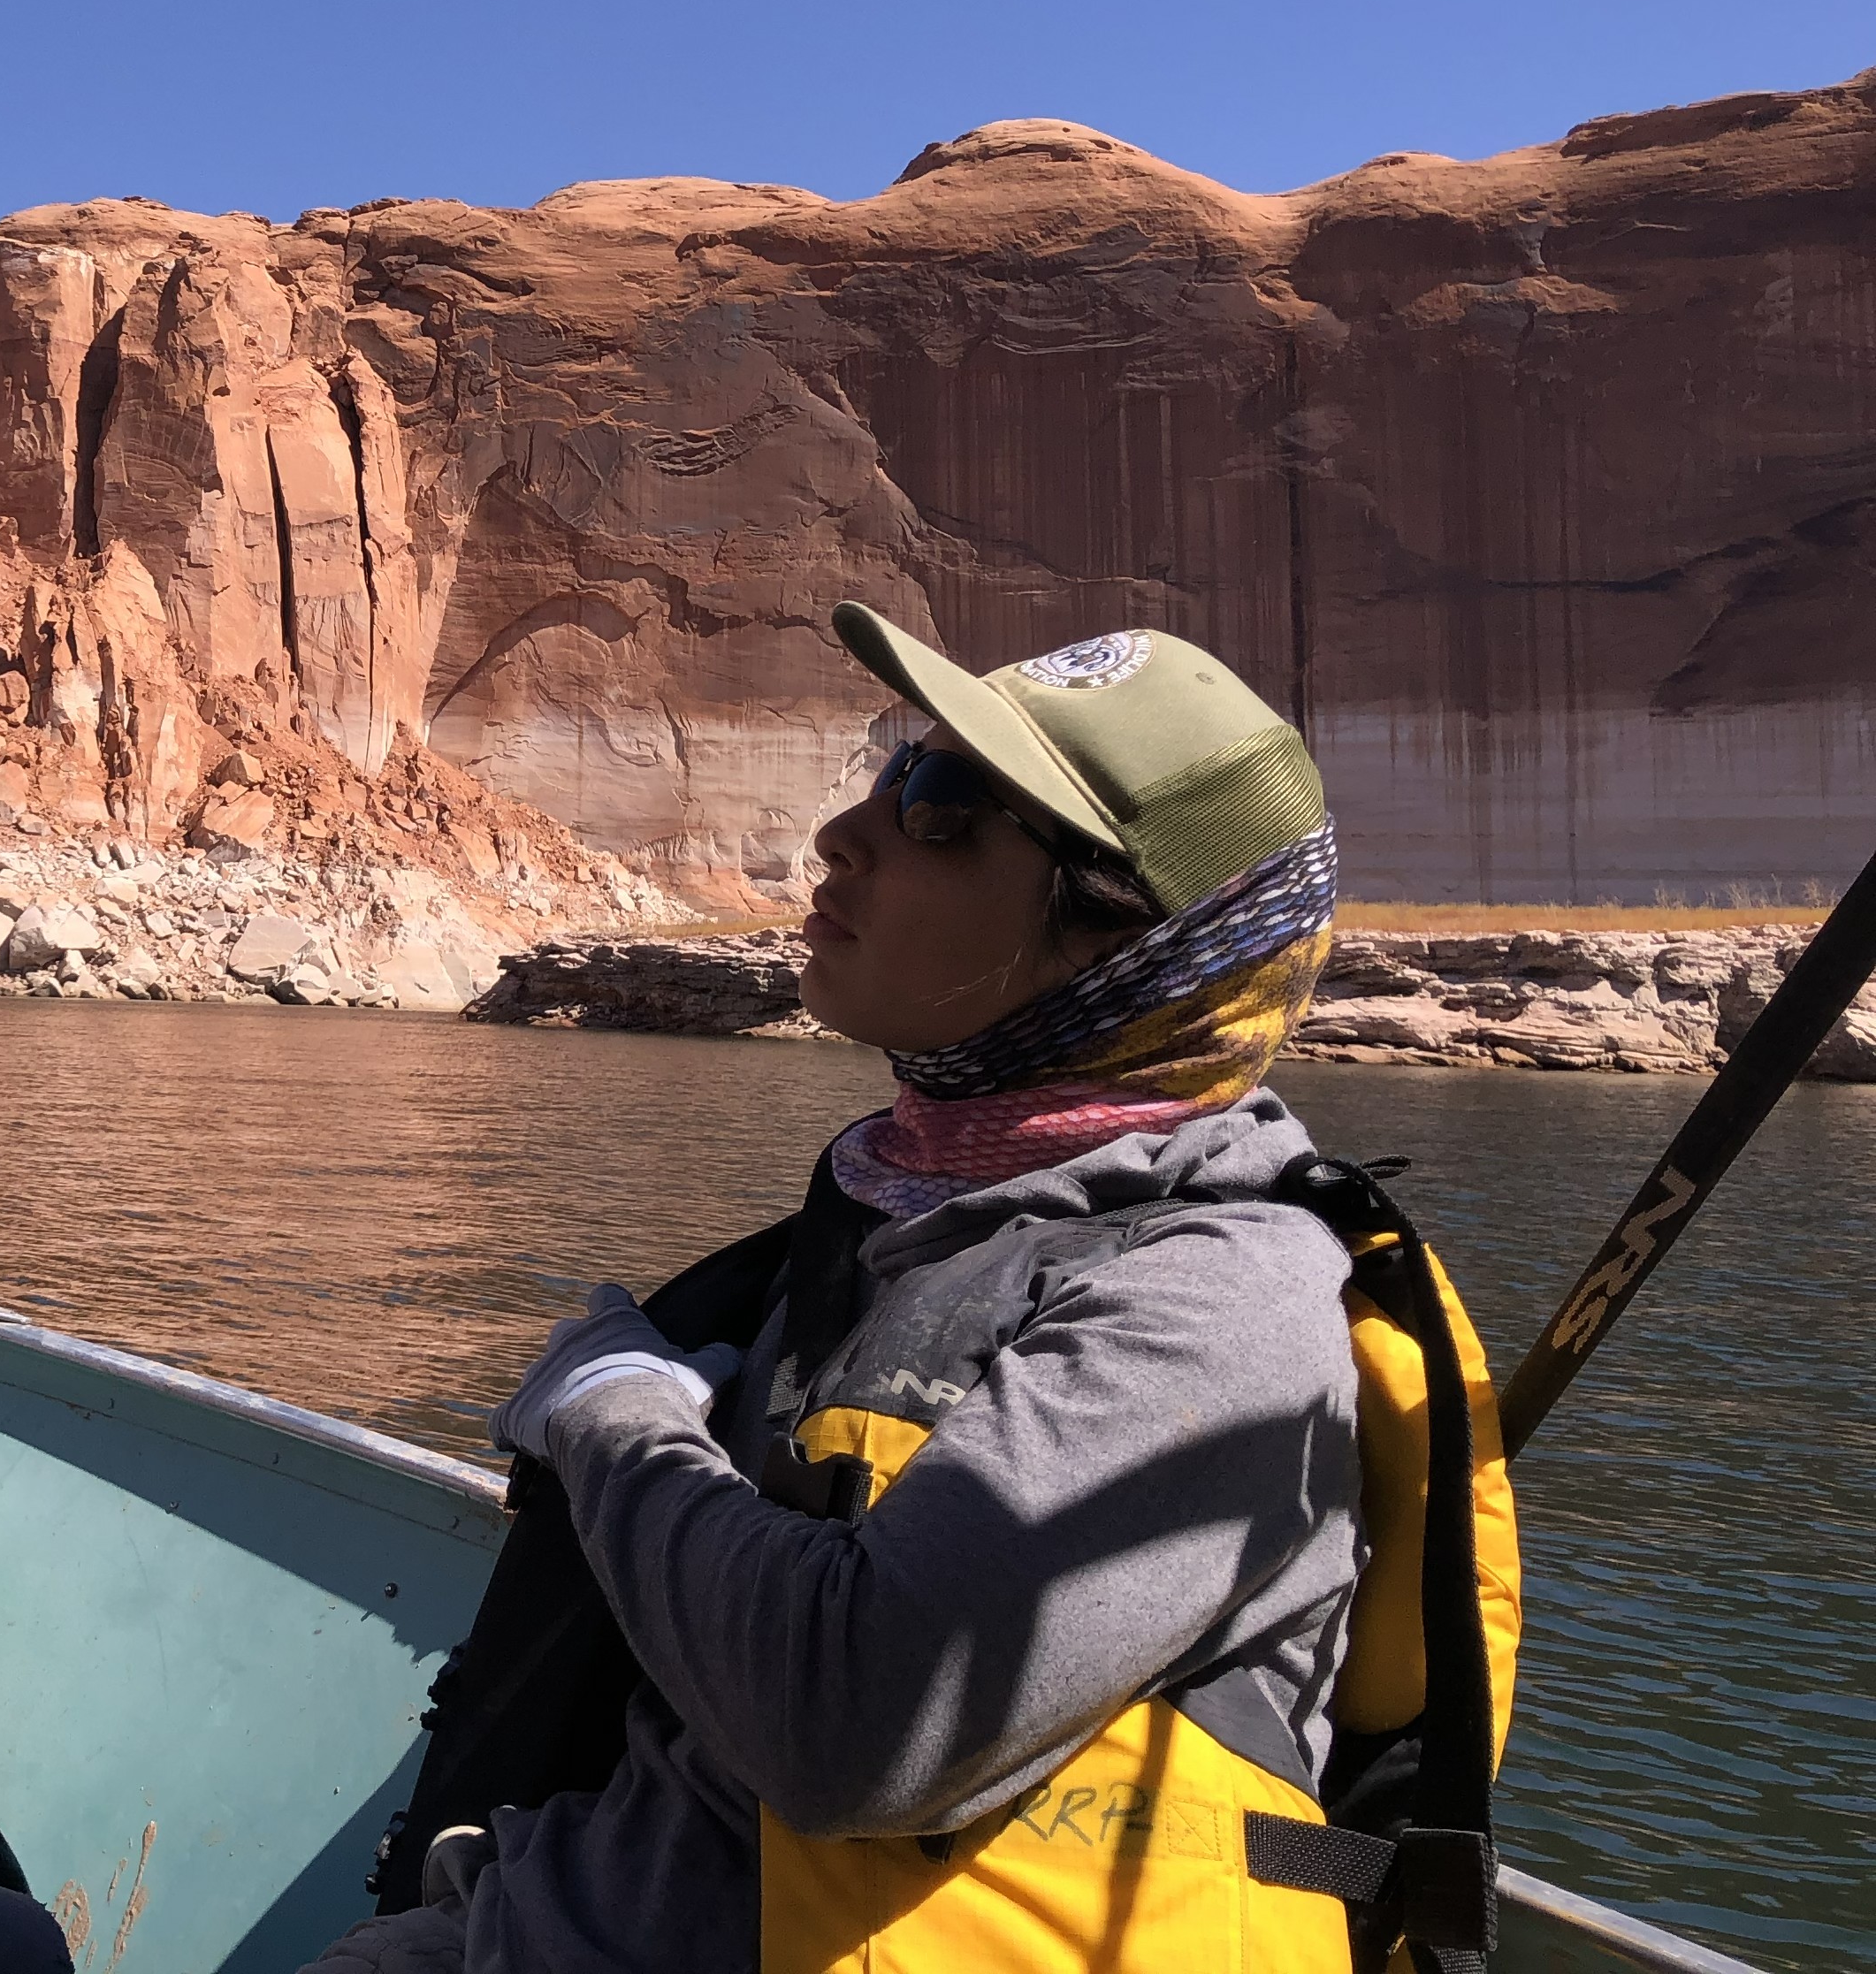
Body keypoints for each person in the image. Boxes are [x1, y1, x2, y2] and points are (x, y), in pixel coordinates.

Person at [311, 604, 1454, 1974]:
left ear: (1123, 943)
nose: (842, 836)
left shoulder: (1222, 1301)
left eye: (941, 805)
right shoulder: (904, 1214)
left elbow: (856, 1722)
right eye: (891, 769)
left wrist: (615, 1413)